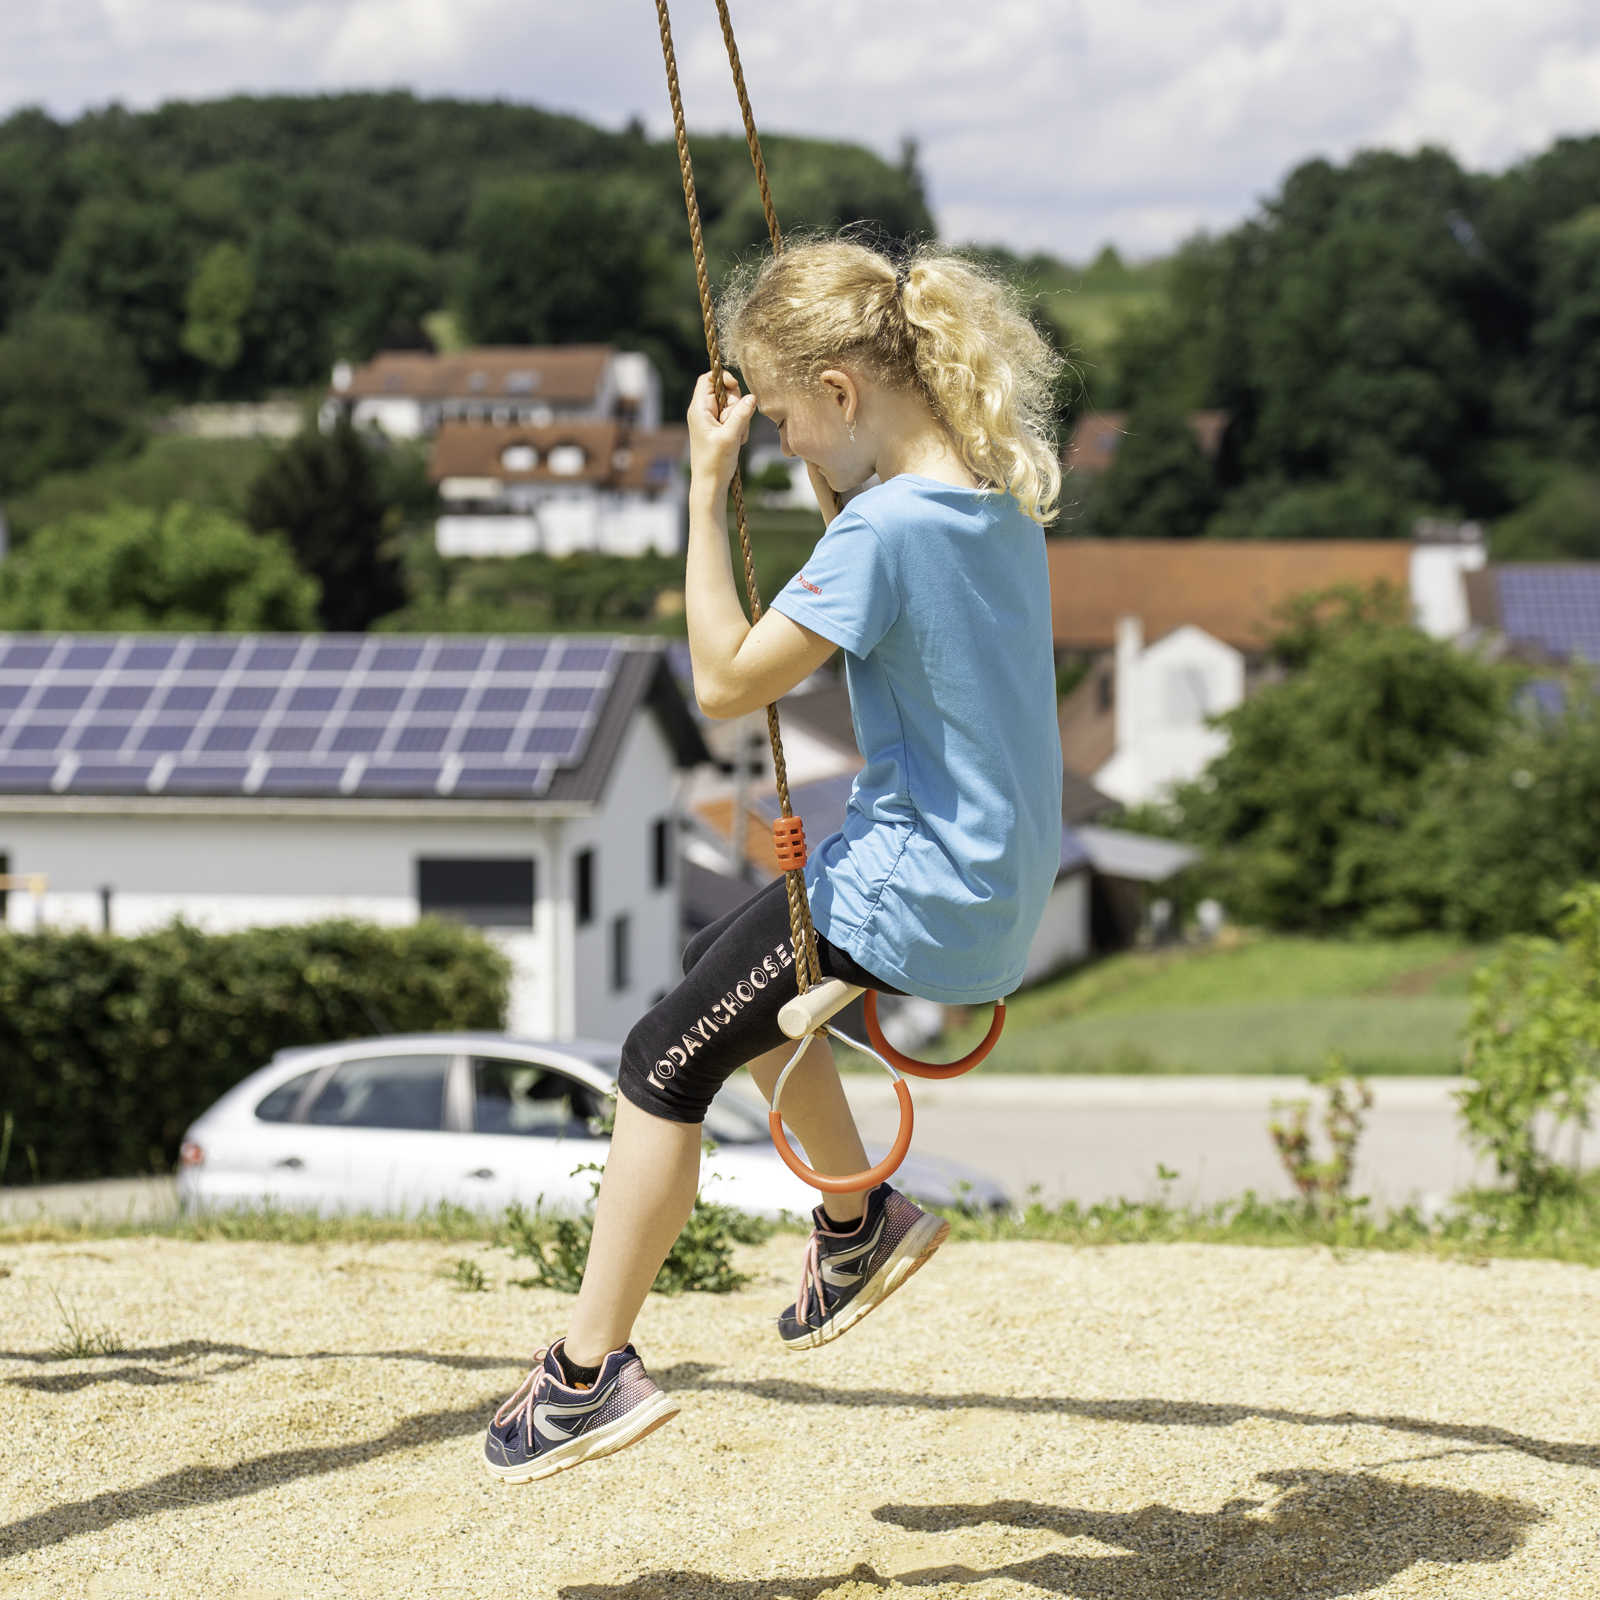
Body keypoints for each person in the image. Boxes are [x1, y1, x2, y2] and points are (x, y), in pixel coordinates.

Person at [483, 238, 1065, 1485]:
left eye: (790, 419)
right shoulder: (988, 501)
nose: (784, 445)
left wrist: (701, 494)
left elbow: (719, 679)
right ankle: (855, 1224)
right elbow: (877, 546)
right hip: (993, 881)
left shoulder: (883, 533)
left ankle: (583, 1376)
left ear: (845, 394)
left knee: (657, 1061)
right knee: (720, 972)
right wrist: (808, 467)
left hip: (905, 883)